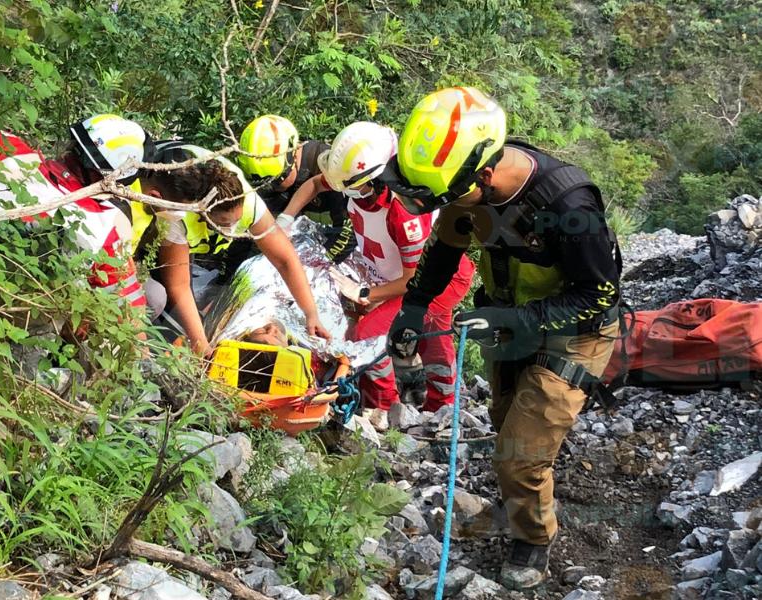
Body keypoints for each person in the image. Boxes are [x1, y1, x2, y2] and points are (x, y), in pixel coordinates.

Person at [383, 87, 622, 590]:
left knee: (519, 452)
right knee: (504, 423)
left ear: (485, 175)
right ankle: (521, 494)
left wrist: (514, 318)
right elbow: (444, 249)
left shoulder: (568, 205)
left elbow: (599, 293)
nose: (449, 208)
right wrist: (413, 308)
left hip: (574, 332)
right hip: (508, 317)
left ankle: (533, 537)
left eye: (452, 198)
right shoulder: (466, 188)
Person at [303, 122, 475, 429]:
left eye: (356, 187)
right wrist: (284, 220)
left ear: (380, 179)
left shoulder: (404, 213)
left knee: (368, 333)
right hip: (400, 275)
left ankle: (384, 406)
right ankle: (437, 403)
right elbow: (316, 184)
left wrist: (365, 293)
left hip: (437, 281)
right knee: (430, 336)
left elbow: (415, 279)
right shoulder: (354, 180)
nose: (349, 193)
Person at [0, 89, 150, 311]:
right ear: (115, 179)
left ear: (73, 144)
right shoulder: (106, 230)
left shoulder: (9, 152)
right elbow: (130, 313)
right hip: (16, 323)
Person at [132, 141, 331, 356]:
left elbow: (285, 259)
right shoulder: (179, 214)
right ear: (202, 213)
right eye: (225, 224)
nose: (234, 229)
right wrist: (202, 346)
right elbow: (178, 285)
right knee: (165, 310)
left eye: (238, 220)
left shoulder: (248, 201)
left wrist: (311, 313)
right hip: (145, 213)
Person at [236, 115, 347, 229]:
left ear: (294, 155)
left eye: (276, 181)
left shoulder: (329, 167)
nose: (271, 188)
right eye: (263, 184)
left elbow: (348, 226)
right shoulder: (266, 179)